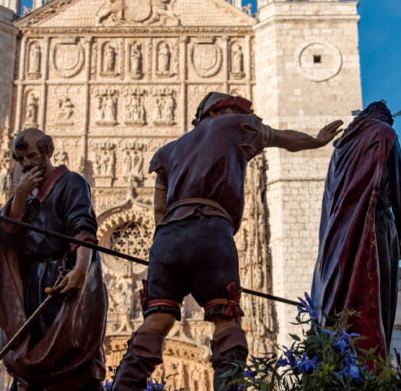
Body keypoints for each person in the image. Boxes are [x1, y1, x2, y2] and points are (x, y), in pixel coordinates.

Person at [111, 92, 343, 391]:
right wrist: (316, 141)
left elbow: (158, 210)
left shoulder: (168, 151)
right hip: (211, 230)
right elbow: (283, 138)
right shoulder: (237, 125)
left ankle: (123, 386)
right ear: (220, 113)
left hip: (168, 236)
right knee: (226, 319)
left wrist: (166, 249)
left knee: (157, 318)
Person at [0, 128, 107, 391]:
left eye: (31, 156)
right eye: (20, 160)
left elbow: (83, 227)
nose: (26, 164)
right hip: (33, 285)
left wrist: (81, 269)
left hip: (62, 280)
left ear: (48, 152)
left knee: (70, 356)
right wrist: (19, 197)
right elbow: (7, 235)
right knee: (31, 360)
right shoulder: (26, 194)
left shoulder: (71, 183)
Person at [311, 101, 401, 365]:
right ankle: (369, 364)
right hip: (373, 228)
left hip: (337, 238)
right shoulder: (385, 134)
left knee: (340, 295)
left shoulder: (341, 148)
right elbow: (400, 188)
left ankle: (336, 361)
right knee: (374, 299)